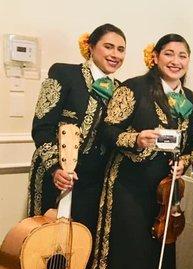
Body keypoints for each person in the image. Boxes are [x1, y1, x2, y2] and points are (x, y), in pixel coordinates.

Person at [89, 34, 193, 269]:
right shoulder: (133, 88)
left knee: (157, 252)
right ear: (155, 57)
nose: (176, 60)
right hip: (128, 184)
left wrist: (185, 163)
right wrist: (137, 139)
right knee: (129, 254)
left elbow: (190, 145)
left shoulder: (190, 98)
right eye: (169, 53)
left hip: (166, 187)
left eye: (183, 55)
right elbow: (107, 132)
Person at [28, 23, 126, 236]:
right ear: (90, 46)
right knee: (45, 241)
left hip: (92, 180)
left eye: (120, 49)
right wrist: (56, 168)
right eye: (108, 46)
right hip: (54, 172)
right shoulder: (64, 73)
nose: (115, 55)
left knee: (81, 240)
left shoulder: (120, 89)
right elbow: (42, 126)